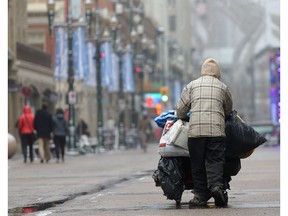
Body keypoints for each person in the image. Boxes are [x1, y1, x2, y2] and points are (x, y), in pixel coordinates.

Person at [175, 58, 233, 207]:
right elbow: (228, 110)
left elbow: (180, 110)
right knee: (215, 161)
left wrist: (183, 117)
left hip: (196, 134)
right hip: (216, 132)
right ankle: (216, 187)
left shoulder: (192, 86)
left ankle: (200, 196)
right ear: (218, 73)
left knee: (197, 164)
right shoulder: (223, 87)